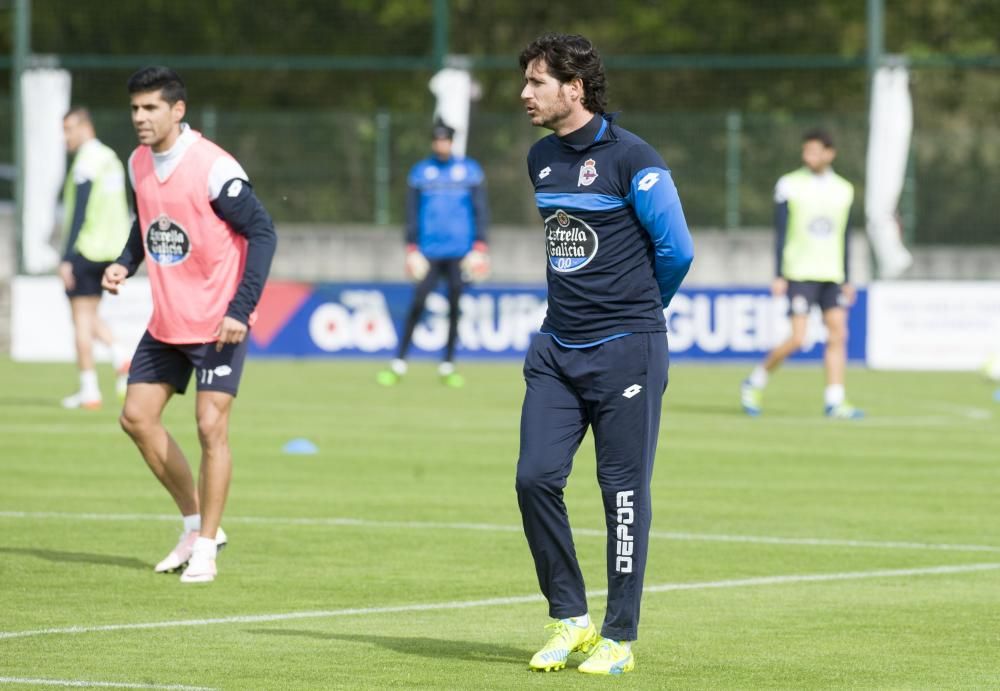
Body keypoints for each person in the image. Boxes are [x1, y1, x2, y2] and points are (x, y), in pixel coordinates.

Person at [515, 34, 694, 675]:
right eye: (527, 82)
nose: (525, 94)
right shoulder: (539, 159)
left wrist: (641, 313)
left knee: (620, 494)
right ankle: (570, 619)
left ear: (575, 88)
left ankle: (619, 636)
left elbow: (677, 250)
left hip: (628, 351)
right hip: (557, 349)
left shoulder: (634, 159)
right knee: (534, 477)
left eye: (537, 82)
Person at [102, 67, 277, 583]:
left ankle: (206, 548)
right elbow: (148, 219)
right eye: (135, 108)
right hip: (168, 320)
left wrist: (240, 310)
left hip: (219, 322)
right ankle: (198, 524)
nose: (140, 117)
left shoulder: (213, 168)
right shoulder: (137, 162)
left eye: (151, 107)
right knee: (135, 417)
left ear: (177, 110)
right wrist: (124, 261)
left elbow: (263, 233)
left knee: (209, 427)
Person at [740, 128, 862, 419]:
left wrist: (847, 278)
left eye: (815, 151)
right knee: (798, 338)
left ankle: (835, 400)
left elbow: (844, 236)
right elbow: (780, 232)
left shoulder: (844, 189)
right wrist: (779, 273)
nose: (809, 156)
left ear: (830, 154)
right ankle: (755, 381)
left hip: (831, 274)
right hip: (800, 272)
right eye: (806, 151)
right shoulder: (789, 185)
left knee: (838, 335)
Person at [375, 119, 490, 389]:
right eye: (437, 139)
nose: (441, 144)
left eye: (445, 139)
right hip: (428, 253)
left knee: (454, 308)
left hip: (460, 253)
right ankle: (399, 364)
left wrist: (480, 246)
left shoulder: (469, 171)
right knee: (417, 305)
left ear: (451, 142)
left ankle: (448, 365)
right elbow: (411, 213)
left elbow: (481, 210)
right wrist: (411, 248)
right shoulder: (420, 172)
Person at [58, 107, 133, 409]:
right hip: (112, 250)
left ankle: (89, 389)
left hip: (87, 248)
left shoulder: (86, 161)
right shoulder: (111, 158)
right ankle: (120, 355)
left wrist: (66, 256)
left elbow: (80, 211)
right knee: (89, 315)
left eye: (68, 129)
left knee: (79, 319)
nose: (65, 137)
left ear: (84, 127)